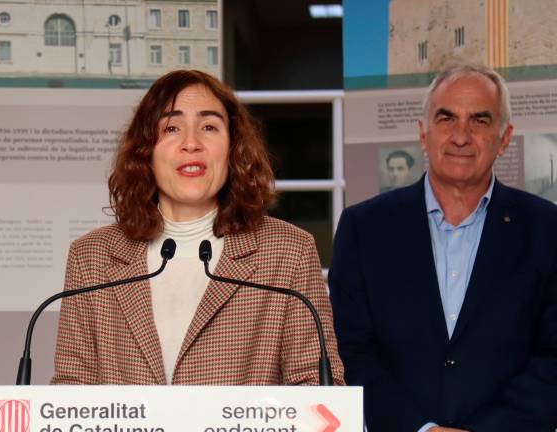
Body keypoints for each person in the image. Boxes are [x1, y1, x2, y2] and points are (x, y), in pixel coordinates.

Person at [51, 70, 344, 385]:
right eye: (172, 128)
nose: (191, 143)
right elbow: (72, 389)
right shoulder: (91, 256)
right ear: (145, 151)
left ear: (232, 148)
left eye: (209, 127)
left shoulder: (289, 251)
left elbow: (318, 389)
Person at [329, 62, 557, 431]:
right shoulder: (364, 228)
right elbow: (351, 352)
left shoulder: (547, 229)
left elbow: (553, 357)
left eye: (480, 121)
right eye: (446, 118)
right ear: (423, 133)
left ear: (504, 137)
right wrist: (422, 429)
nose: (460, 136)